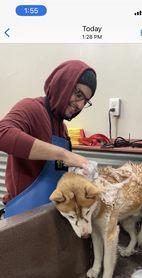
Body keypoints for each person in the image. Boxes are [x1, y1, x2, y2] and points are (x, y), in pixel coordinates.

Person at [0, 60, 97, 217]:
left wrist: (77, 172)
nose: (79, 105)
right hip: (23, 216)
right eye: (78, 94)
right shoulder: (31, 108)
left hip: (49, 214)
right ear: (62, 84)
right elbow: (2, 133)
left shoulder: (63, 129)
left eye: (85, 101)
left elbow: (55, 168)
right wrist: (64, 154)